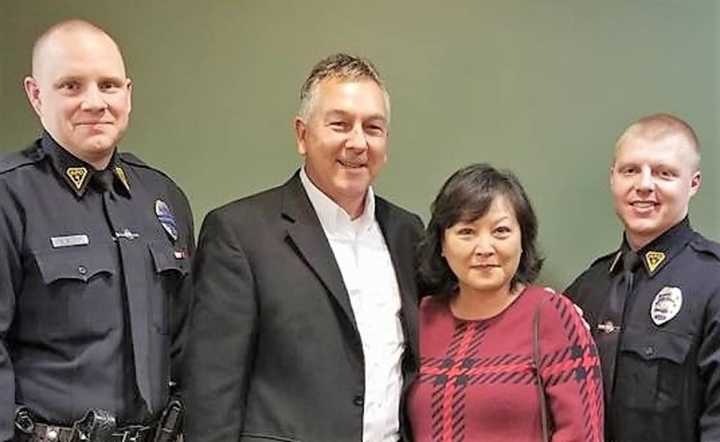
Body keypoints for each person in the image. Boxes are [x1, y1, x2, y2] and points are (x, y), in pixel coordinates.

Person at [182, 53, 424, 442]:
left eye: (373, 127)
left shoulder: (407, 233)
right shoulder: (240, 234)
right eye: (340, 124)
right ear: (302, 134)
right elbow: (212, 395)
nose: (358, 142)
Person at [0, 19, 194, 442]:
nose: (94, 102)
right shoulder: (9, 196)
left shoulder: (162, 198)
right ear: (36, 95)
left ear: (128, 94)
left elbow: (184, 343)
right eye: (71, 86)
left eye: (108, 85)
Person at [409, 164, 604, 442]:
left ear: (523, 239)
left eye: (500, 231)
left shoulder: (551, 314)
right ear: (442, 243)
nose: (485, 248)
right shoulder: (422, 316)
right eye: (467, 232)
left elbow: (582, 435)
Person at [565, 113, 720, 442]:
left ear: (693, 183)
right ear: (612, 178)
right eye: (630, 170)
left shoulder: (713, 282)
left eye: (664, 173)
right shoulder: (586, 289)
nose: (644, 185)